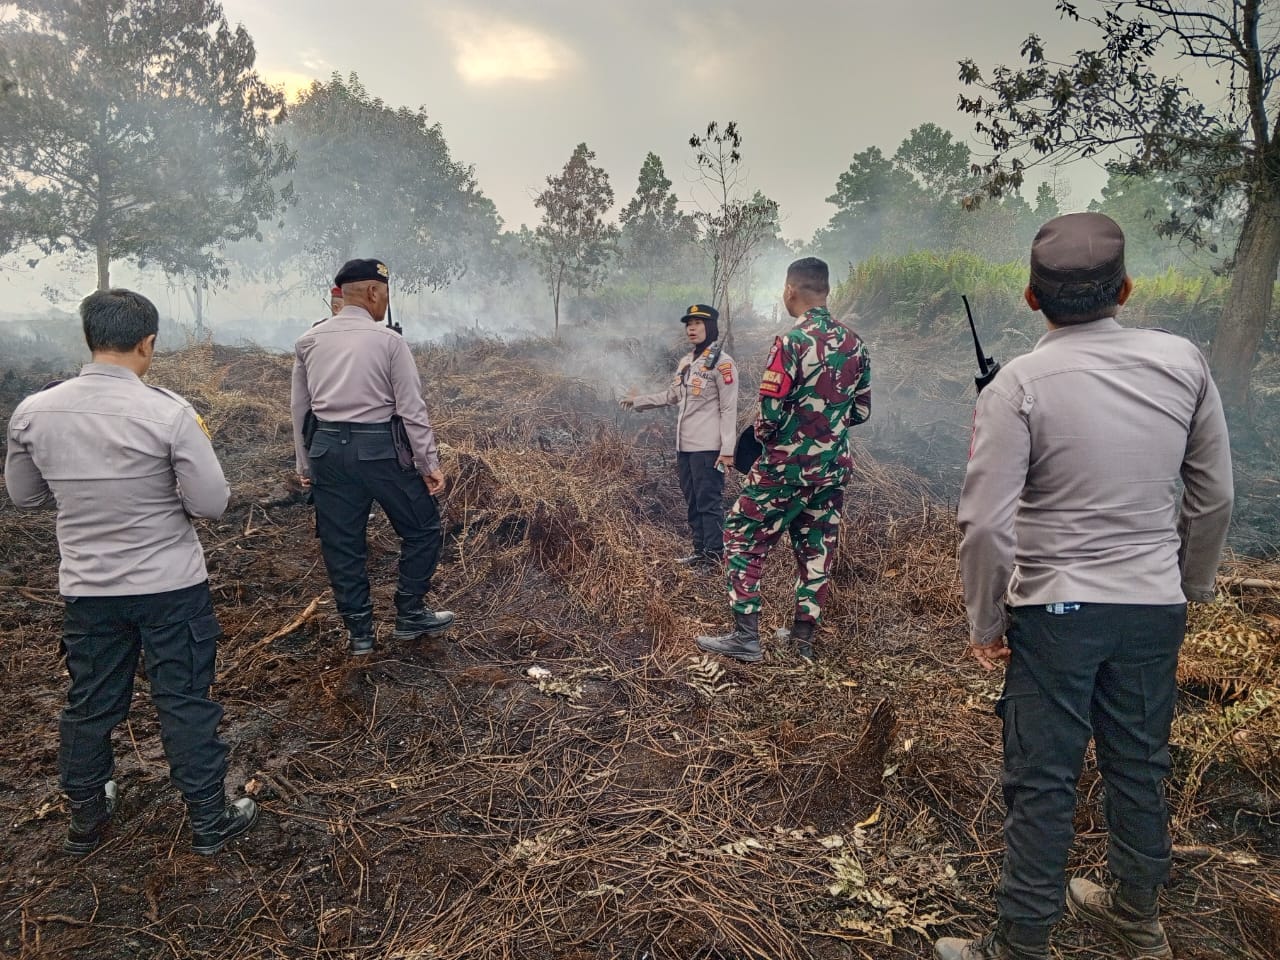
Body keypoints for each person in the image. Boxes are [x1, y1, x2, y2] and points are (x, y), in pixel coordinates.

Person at [936, 212, 1234, 960]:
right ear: (1125, 289)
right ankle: (1137, 918)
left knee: (1043, 780)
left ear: (1032, 298)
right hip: (1153, 607)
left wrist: (985, 624)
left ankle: (1021, 944)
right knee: (1141, 765)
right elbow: (1214, 498)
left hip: (1056, 611)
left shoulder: (1017, 384)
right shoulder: (1185, 362)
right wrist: (1187, 584)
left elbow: (984, 524)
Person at [4, 288, 259, 856]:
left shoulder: (33, 413)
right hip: (171, 588)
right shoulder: (169, 413)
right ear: (148, 343)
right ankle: (209, 820)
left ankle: (86, 820)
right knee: (184, 700)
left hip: (89, 590)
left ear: (89, 338)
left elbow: (24, 497)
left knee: (90, 702)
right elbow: (211, 503)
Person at [696, 257, 870, 662]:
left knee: (741, 536)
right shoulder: (855, 344)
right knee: (816, 549)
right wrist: (826, 429)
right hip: (832, 469)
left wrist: (767, 441)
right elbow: (861, 411)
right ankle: (802, 640)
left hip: (785, 469)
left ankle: (745, 638)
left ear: (791, 290)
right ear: (826, 290)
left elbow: (769, 417)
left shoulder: (790, 343)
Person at [291, 258, 452, 656]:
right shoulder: (389, 342)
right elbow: (412, 409)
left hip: (327, 450)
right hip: (380, 451)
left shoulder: (308, 341)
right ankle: (410, 613)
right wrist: (428, 463)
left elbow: (300, 410)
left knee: (341, 544)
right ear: (373, 291)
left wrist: (305, 463)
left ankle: (359, 633)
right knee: (423, 529)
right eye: (385, 294)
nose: (385, 302)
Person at [621, 304, 738, 568]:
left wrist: (727, 450)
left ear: (710, 327)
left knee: (709, 502)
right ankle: (699, 550)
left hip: (708, 448)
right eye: (689, 324)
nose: (691, 329)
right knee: (693, 500)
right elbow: (672, 395)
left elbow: (729, 408)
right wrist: (638, 401)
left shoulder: (723, 363)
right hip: (685, 447)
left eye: (698, 323)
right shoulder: (686, 362)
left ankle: (714, 556)